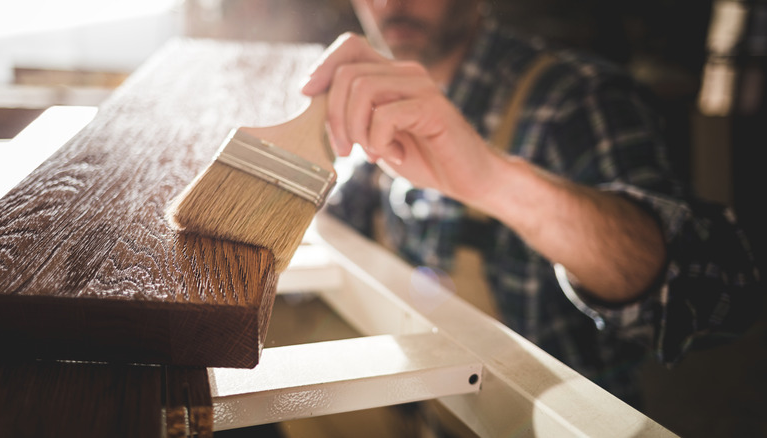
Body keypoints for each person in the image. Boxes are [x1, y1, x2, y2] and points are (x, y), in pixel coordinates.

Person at [300, 0, 763, 408]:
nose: (391, 3)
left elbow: (720, 291)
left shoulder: (576, 98)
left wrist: (494, 180)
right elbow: (339, 225)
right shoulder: (378, 100)